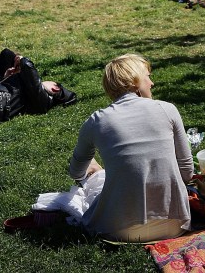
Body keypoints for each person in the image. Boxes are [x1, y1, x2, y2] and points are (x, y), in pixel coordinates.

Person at [68, 54, 193, 242]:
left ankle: (96, 171)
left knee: (99, 177)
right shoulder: (167, 109)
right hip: (175, 225)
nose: (152, 83)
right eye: (147, 77)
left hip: (118, 230)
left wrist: (87, 174)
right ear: (134, 82)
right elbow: (187, 172)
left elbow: (76, 171)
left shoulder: (96, 121)